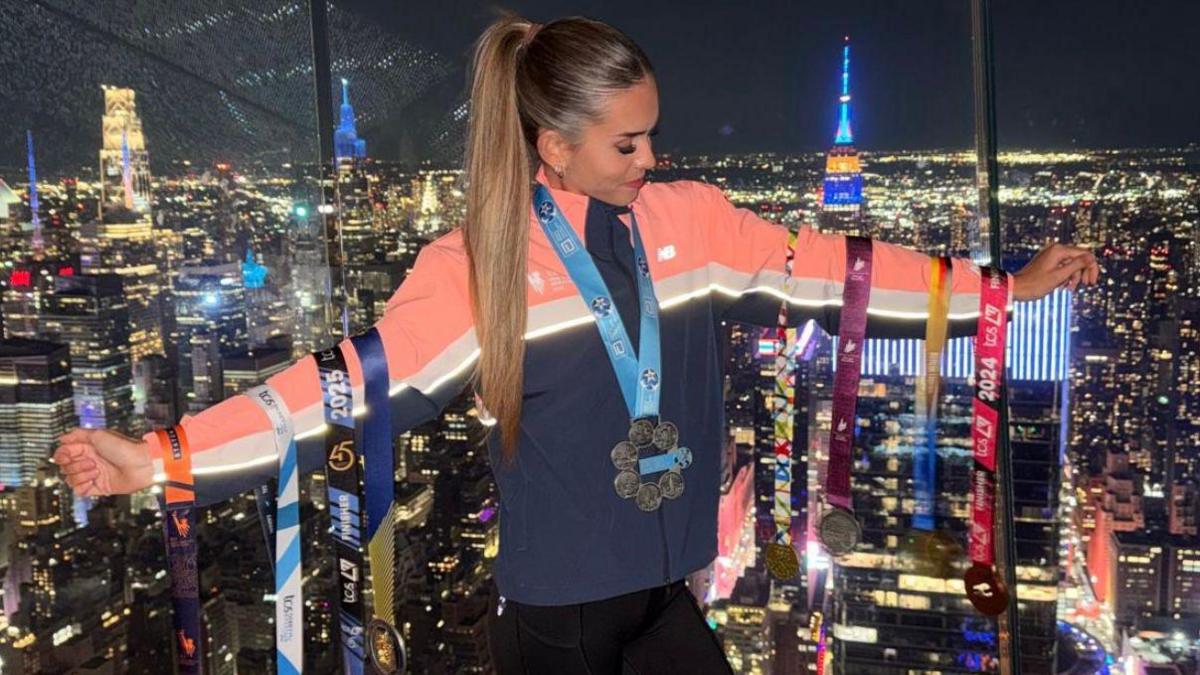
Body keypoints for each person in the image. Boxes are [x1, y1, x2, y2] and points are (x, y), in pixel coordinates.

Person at [53, 14, 1100, 675]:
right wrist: (168, 454)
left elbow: (838, 266)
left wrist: (1000, 289)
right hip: (556, 619)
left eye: (654, 134)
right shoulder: (478, 267)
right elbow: (346, 386)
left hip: (667, 587)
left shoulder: (697, 224)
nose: (653, 159)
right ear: (553, 144)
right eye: (626, 142)